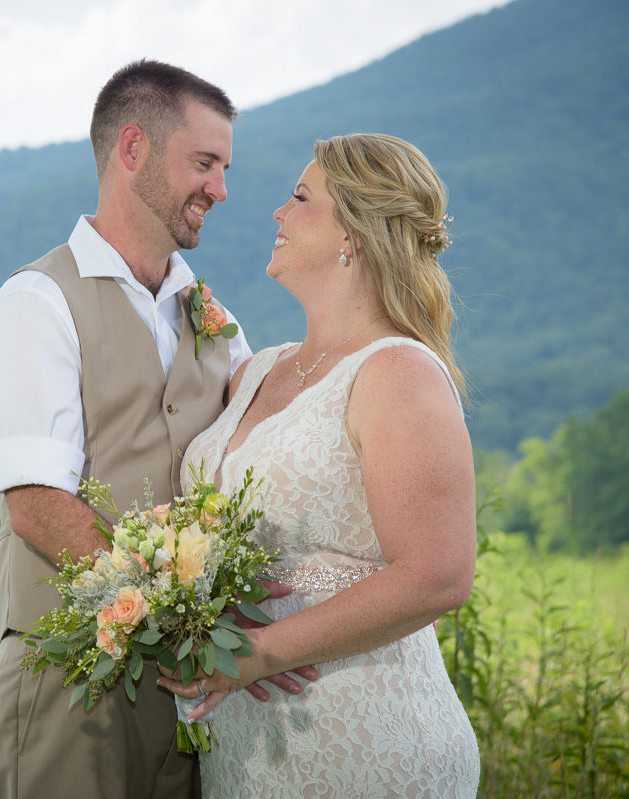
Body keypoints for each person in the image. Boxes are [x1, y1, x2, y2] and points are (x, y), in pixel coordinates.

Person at [0, 60, 314, 799]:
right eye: (204, 163)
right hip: (67, 691)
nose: (220, 189)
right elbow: (35, 504)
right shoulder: (38, 301)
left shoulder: (211, 316)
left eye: (223, 167)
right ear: (133, 150)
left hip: (188, 707)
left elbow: (279, 435)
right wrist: (190, 626)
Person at [158, 133, 481, 797]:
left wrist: (259, 653)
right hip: (249, 749)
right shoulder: (256, 371)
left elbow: (438, 576)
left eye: (300, 198)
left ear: (353, 236)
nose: (277, 213)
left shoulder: (397, 371)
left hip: (367, 735)